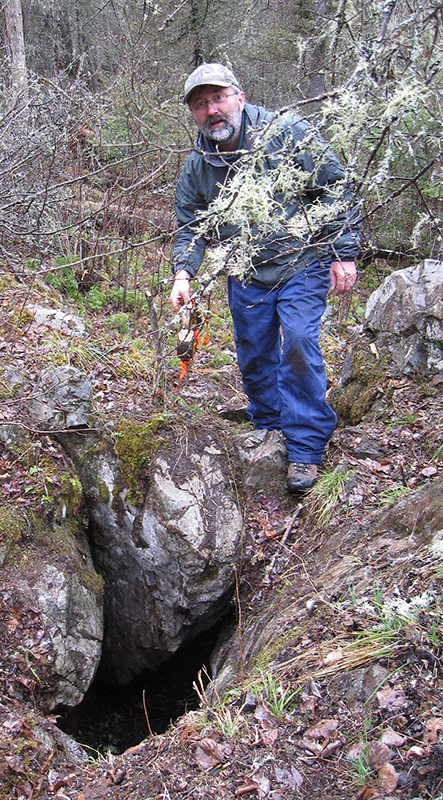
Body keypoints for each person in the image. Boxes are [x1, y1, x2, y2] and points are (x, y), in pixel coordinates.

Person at [169, 63, 361, 493]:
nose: (211, 110)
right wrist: (183, 272)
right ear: (193, 114)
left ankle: (306, 447)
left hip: (300, 261)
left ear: (239, 97)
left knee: (298, 342)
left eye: (218, 98)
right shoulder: (198, 166)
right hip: (246, 272)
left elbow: (336, 186)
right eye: (200, 104)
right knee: (254, 353)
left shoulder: (287, 133)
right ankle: (270, 428)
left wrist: (343, 252)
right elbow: (190, 226)